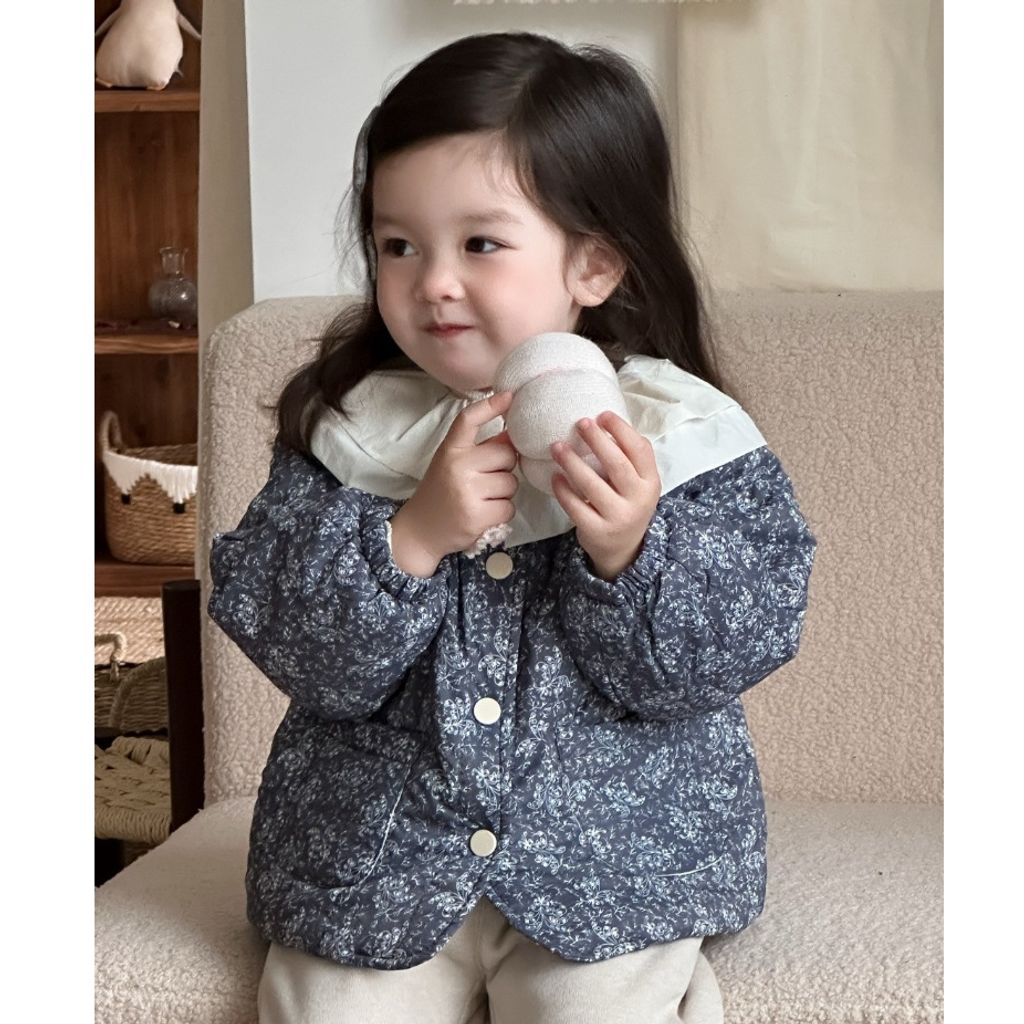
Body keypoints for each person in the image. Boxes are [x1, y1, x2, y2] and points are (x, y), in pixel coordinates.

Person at [207, 30, 818, 1024]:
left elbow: (737, 643)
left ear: (593, 263)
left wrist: (631, 551)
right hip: (378, 866)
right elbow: (294, 645)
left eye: (479, 244)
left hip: (615, 870)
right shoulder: (351, 428)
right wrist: (410, 537)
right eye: (398, 245)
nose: (432, 281)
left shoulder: (680, 432)